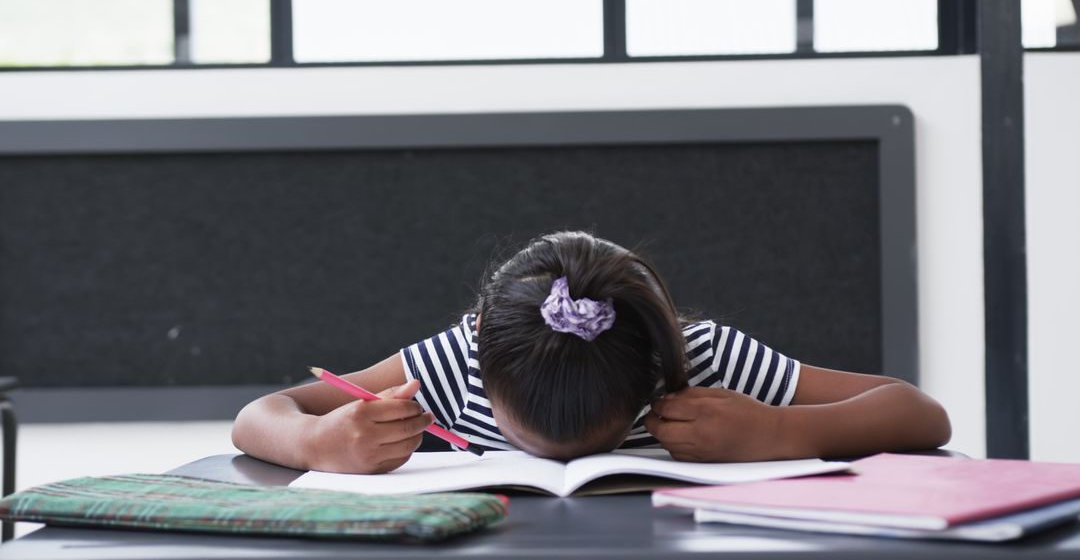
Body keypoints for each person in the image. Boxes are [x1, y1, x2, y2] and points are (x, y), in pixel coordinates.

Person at [232, 231, 951, 474]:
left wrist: (782, 431)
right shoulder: (453, 360)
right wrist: (319, 441)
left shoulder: (700, 362)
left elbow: (919, 414)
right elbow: (257, 417)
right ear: (481, 344)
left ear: (657, 370)